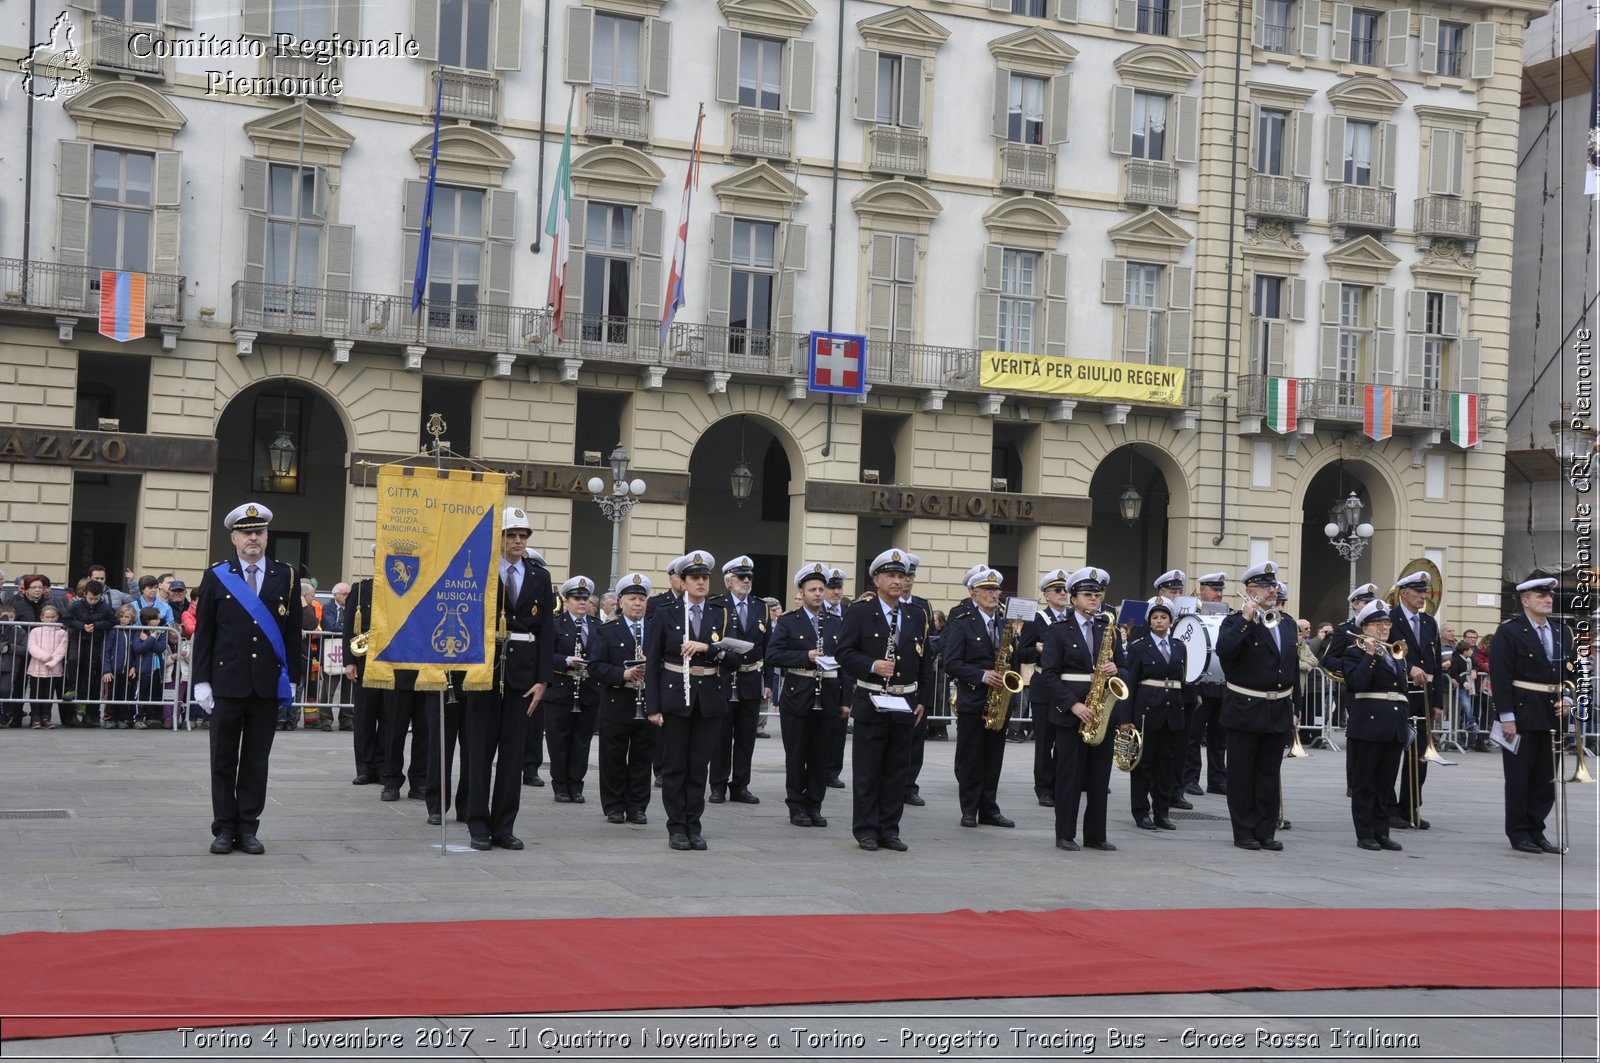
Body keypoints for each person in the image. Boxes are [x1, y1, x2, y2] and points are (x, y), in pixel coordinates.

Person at [192, 502, 303, 855]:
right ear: (234, 538)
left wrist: (293, 679)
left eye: (259, 532)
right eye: (246, 532)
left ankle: (249, 827)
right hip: (226, 682)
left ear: (267, 537)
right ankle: (224, 828)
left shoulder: (284, 575)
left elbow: (292, 632)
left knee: (256, 761)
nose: (252, 538)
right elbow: (205, 633)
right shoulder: (217, 576)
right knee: (223, 759)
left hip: (266, 685)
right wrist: (201, 681)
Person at [466, 506, 553, 852]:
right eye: (511, 535)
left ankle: (504, 825)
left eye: (523, 536)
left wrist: (543, 679)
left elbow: (546, 632)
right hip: (485, 671)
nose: (518, 541)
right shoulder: (481, 572)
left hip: (522, 675)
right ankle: (478, 824)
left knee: (513, 756)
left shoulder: (539, 576)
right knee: (479, 753)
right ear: (499, 539)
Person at [836, 549, 934, 852]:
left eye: (901, 576)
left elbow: (926, 660)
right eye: (890, 575)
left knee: (896, 771)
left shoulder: (916, 614)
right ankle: (866, 829)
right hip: (873, 700)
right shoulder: (861, 611)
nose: (897, 581)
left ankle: (890, 828)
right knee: (868, 770)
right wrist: (872, 665)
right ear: (876, 579)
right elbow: (844, 652)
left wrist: (924, 700)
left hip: (905, 703)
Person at [644, 550, 741, 850]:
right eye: (694, 578)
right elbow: (653, 661)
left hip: (709, 697)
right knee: (674, 765)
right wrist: (653, 707)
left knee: (699, 765)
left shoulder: (719, 613)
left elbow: (736, 658)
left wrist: (709, 649)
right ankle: (676, 826)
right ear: (682, 582)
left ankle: (693, 824)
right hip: (676, 695)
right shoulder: (665, 613)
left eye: (704, 578)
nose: (701, 583)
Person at [1213, 561, 1301, 852]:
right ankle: (1244, 831)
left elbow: (1290, 666)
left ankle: (1266, 830)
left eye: (1273, 586)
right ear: (1250, 591)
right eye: (1265, 586)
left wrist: (1295, 707)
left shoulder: (1287, 623)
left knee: (1268, 773)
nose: (1272, 591)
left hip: (1278, 710)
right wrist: (1247, 620)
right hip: (1245, 708)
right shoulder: (1235, 622)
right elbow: (1225, 651)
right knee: (1241, 774)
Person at [1039, 567, 1126, 852]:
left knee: (1100, 778)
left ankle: (1095, 835)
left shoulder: (1107, 628)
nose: (1094, 600)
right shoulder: (1058, 631)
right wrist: (1073, 704)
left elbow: (1125, 667)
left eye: (1097, 595)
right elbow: (1049, 675)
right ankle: (1065, 833)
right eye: (1088, 595)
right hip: (1071, 712)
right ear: (1073, 598)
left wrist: (1117, 668)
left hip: (1101, 712)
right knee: (1069, 777)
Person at [1491, 576, 1577, 854]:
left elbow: (1570, 671)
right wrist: (1506, 716)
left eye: (1549, 595)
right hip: (1522, 710)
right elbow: (1501, 677)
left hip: (1553, 713)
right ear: (1525, 601)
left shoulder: (1562, 631)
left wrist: (1567, 698)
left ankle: (1536, 829)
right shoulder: (1510, 632)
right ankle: (1518, 832)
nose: (1548, 599)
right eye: (1541, 596)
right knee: (1519, 776)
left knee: (1545, 777)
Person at [764, 563, 845, 827]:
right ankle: (796, 806)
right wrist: (805, 656)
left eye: (822, 589)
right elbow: (773, 655)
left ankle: (815, 805)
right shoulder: (789, 621)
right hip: (799, 695)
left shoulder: (836, 622)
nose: (819, 594)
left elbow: (847, 661)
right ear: (803, 591)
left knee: (821, 755)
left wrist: (846, 701)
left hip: (829, 695)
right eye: (813, 589)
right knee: (797, 755)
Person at [942, 566, 1021, 830]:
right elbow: (951, 663)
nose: (994, 594)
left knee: (993, 757)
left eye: (996, 589)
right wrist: (981, 675)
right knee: (972, 757)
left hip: (999, 701)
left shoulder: (1004, 622)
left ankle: (989, 807)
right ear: (974, 594)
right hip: (974, 699)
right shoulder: (962, 622)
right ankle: (969, 808)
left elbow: (1012, 658)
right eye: (987, 590)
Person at [1340, 599, 1408, 852]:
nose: (1384, 628)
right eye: (1378, 624)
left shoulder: (1395, 653)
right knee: (1365, 783)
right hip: (1368, 724)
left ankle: (1382, 832)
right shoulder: (1354, 652)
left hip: (1392, 725)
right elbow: (1356, 683)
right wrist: (1369, 655)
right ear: (1364, 627)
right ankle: (1365, 833)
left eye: (1387, 623)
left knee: (1385, 784)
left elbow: (1399, 689)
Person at [590, 574, 654, 825]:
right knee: (613, 756)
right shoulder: (608, 631)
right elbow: (595, 667)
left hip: (646, 699)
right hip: (618, 699)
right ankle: (614, 805)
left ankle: (637, 805)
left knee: (642, 756)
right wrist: (622, 673)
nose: (638, 603)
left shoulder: (655, 629)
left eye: (641, 599)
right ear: (620, 603)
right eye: (632, 599)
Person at [1126, 598, 1194, 831]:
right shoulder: (1138, 647)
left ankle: (1162, 812)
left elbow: (1183, 679)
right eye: (1155, 617)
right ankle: (1141, 811)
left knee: (1167, 764)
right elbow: (1131, 684)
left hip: (1172, 711)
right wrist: (1127, 718)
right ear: (1149, 621)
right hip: (1147, 710)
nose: (1159, 621)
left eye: (1163, 617)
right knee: (1144, 764)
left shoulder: (1178, 647)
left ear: (1171, 621)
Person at [709, 556, 767, 805]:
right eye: (741, 577)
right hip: (724, 677)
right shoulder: (717, 605)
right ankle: (718, 784)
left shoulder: (760, 606)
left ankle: (741, 784)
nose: (746, 581)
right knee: (721, 736)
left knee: (746, 737)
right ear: (729, 581)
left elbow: (768, 645)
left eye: (749, 577)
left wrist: (768, 683)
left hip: (751, 678)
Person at [1390, 569, 1443, 830]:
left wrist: (1438, 703)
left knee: (1419, 756)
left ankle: (1410, 807)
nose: (1424, 596)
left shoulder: (1429, 623)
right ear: (1404, 593)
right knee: (1390, 753)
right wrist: (1408, 666)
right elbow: (1387, 651)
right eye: (1419, 592)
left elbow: (1436, 665)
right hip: (1398, 694)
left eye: (1425, 592)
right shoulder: (1389, 619)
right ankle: (1388, 808)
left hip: (1423, 697)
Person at [1016, 569, 1071, 807]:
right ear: (1046, 596)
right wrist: (1039, 650)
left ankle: (1062, 783)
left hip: (1067, 687)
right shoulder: (1037, 620)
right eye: (1057, 590)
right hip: (1044, 687)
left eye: (1065, 590)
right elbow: (1022, 652)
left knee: (1065, 740)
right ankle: (1044, 788)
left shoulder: (1072, 619)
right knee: (1045, 741)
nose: (1063, 594)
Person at [545, 576, 601, 804]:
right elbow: (545, 655)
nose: (581, 603)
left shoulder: (598, 627)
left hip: (588, 689)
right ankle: (559, 785)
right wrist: (566, 660)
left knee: (582, 740)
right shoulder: (555, 624)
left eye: (585, 599)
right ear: (566, 600)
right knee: (559, 740)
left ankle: (576, 785)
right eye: (576, 598)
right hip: (561, 688)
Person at [1183, 571, 1229, 797]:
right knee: (1193, 736)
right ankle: (1190, 777)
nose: (1219, 594)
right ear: (1202, 591)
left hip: (1222, 685)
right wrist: (1195, 689)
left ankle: (1218, 778)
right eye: (1214, 590)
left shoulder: (1229, 616)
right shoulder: (1192, 616)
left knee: (1219, 738)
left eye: (1221, 590)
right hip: (1200, 684)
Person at [343, 576, 381, 785]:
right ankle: (365, 767)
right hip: (364, 660)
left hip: (390, 661)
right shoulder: (360, 590)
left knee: (389, 718)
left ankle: (383, 766)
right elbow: (349, 626)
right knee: (365, 716)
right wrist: (349, 662)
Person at [64, 580, 116, 727]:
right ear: (85, 594)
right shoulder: (76, 605)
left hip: (95, 642)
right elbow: (66, 619)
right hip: (78, 638)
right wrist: (81, 626)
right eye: (91, 598)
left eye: (96, 598)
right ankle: (72, 688)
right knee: (73, 660)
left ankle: (83, 702)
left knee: (89, 669)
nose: (93, 601)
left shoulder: (105, 607)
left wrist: (97, 625)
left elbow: (112, 621)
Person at [823, 566, 852, 788]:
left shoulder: (847, 614)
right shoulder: (819, 613)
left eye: (839, 587)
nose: (836, 592)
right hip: (822, 677)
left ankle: (833, 770)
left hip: (842, 677)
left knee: (839, 730)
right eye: (832, 587)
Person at [25, 602, 69, 728]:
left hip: (54, 668)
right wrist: (45, 657)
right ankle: (35, 718)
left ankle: (46, 717)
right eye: (47, 617)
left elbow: (62, 649)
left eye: (53, 617)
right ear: (42, 617)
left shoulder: (62, 632)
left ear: (57, 617)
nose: (50, 619)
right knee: (36, 693)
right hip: (37, 668)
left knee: (49, 694)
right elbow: (32, 646)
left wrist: (52, 662)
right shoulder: (35, 631)